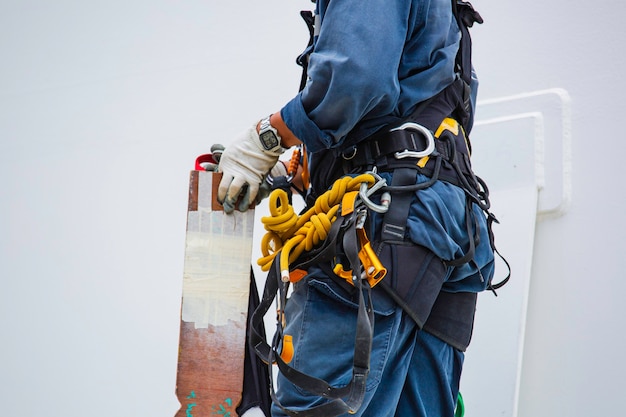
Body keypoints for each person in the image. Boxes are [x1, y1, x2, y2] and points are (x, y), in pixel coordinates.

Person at [216, 0, 500, 416]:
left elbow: (354, 78)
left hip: (389, 222)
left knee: (316, 407)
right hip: (447, 220)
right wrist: (302, 174)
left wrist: (266, 139)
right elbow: (430, 104)